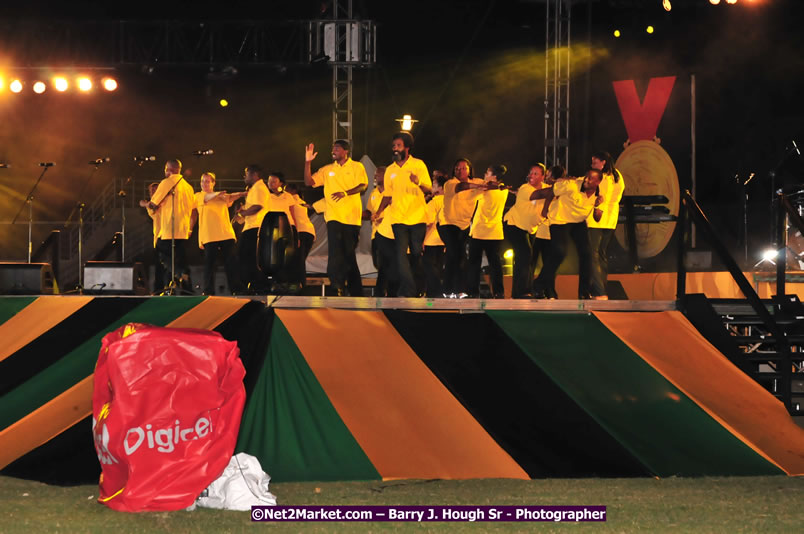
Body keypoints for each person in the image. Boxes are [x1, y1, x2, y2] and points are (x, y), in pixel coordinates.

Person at [304, 139, 368, 296]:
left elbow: (363, 185)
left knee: (348, 254)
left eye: (337, 148)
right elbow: (309, 181)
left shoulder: (356, 166)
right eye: (333, 148)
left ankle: (355, 289)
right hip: (333, 217)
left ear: (346, 151)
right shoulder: (327, 170)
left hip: (351, 218)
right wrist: (307, 162)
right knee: (335, 252)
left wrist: (345, 193)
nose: (333, 151)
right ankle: (336, 286)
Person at [373, 132, 432, 297]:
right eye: (393, 146)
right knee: (400, 256)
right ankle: (409, 289)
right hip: (398, 219)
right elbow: (387, 195)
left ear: (407, 147)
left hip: (417, 217)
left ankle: (420, 286)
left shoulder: (418, 165)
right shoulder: (390, 170)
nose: (395, 149)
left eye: (398, 145)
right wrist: (378, 212)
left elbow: (429, 189)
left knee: (414, 254)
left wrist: (417, 181)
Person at [532, 168, 604, 299]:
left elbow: (597, 218)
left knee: (587, 254)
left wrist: (598, 206)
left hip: (578, 222)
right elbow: (551, 192)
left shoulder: (599, 194)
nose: (587, 180)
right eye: (586, 176)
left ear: (598, 182)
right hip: (560, 219)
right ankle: (538, 286)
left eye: (591, 178)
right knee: (559, 253)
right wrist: (545, 209)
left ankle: (584, 292)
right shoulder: (571, 185)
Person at [148, 159, 196, 293]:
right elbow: (193, 210)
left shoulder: (166, 183)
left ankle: (181, 274)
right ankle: (186, 289)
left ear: (168, 169)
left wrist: (150, 205)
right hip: (183, 230)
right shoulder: (188, 187)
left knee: (162, 253)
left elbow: (153, 205)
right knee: (179, 259)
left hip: (169, 229)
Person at [503, 163, 548, 299]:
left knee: (527, 259)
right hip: (513, 224)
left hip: (529, 228)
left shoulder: (547, 188)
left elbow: (554, 195)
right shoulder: (525, 188)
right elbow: (539, 194)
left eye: (536, 173)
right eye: (531, 172)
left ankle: (520, 292)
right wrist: (556, 189)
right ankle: (523, 291)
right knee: (525, 254)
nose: (531, 176)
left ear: (543, 176)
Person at [440, 158, 484, 297]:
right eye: (457, 168)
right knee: (457, 255)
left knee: (454, 257)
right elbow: (461, 188)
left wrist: (499, 186)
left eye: (464, 168)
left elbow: (488, 186)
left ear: (470, 169)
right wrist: (476, 187)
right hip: (447, 224)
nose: (460, 170)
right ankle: (458, 290)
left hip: (464, 226)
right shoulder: (450, 183)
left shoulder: (476, 182)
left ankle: (448, 290)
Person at [466, 165, 510, 299]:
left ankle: (473, 292)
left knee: (474, 263)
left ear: (494, 177)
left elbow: (472, 195)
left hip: (480, 231)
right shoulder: (504, 190)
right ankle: (499, 292)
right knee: (495, 264)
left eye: (487, 172)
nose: (485, 174)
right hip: (495, 231)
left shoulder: (486, 189)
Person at [587, 151, 625, 300]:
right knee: (601, 254)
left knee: (592, 255)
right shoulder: (617, 176)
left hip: (598, 219)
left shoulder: (602, 177)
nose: (592, 165)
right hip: (611, 220)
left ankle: (599, 291)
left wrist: (597, 211)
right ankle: (601, 287)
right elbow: (616, 197)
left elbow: (601, 197)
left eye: (594, 162)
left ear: (603, 163)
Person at [194, 172, 239, 295]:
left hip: (225, 233)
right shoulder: (198, 195)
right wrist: (218, 194)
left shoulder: (221, 196)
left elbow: (231, 197)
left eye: (208, 181)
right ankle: (208, 291)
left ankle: (236, 289)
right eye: (203, 181)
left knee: (230, 262)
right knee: (210, 264)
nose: (204, 184)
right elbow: (208, 198)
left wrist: (243, 193)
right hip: (209, 235)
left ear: (213, 183)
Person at [232, 164, 270, 293]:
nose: (244, 177)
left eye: (246, 174)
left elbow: (257, 207)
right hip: (250, 227)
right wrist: (243, 213)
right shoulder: (255, 188)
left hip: (255, 228)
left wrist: (243, 213)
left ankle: (257, 285)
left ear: (254, 175)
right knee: (247, 257)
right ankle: (254, 285)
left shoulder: (259, 188)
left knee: (247, 257)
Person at [364, 166, 398, 297]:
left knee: (386, 264)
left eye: (377, 174)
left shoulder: (392, 192)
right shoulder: (373, 193)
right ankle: (385, 292)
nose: (375, 177)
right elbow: (369, 212)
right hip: (375, 234)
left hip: (389, 234)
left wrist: (382, 215)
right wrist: (354, 214)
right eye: (374, 174)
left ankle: (384, 293)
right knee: (378, 264)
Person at [286, 183, 315, 290]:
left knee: (297, 260)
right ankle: (300, 284)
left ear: (293, 191)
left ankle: (299, 285)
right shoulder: (302, 202)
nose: (284, 192)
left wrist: (296, 234)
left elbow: (293, 218)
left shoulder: (290, 200)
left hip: (300, 231)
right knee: (299, 259)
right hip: (309, 232)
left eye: (286, 189)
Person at [423, 171, 448, 297]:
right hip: (444, 239)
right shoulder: (450, 201)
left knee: (428, 266)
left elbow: (428, 223)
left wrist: (422, 240)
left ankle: (435, 292)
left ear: (440, 188)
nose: (431, 188)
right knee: (438, 267)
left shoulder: (434, 202)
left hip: (431, 239)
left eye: (434, 185)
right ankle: (433, 293)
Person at [139, 182, 165, 293]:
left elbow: (145, 203)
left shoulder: (165, 201)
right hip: (160, 238)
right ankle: (159, 290)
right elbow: (149, 205)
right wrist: (145, 203)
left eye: (156, 190)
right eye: (152, 191)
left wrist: (144, 203)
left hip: (169, 237)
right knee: (159, 267)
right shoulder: (152, 205)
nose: (154, 193)